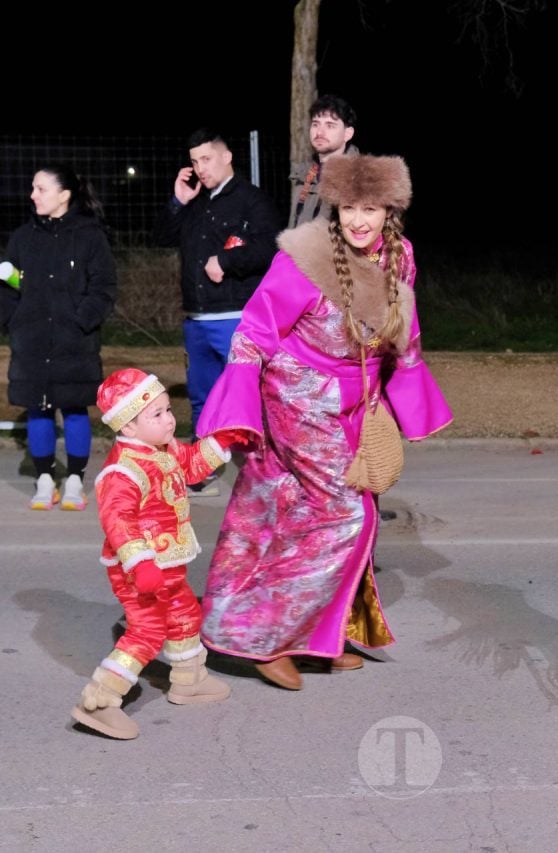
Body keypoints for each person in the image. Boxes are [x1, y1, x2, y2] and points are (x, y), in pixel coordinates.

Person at [194, 154, 452, 691]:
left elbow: (402, 328)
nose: (359, 220)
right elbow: (254, 332)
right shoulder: (303, 259)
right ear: (335, 209)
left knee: (300, 512)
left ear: (390, 212)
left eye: (371, 209)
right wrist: (239, 406)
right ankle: (265, 635)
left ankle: (317, 637)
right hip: (300, 397)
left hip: (357, 401)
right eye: (349, 208)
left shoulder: (400, 255)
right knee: (346, 513)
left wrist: (404, 390)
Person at [70, 367, 253, 740]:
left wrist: (221, 441)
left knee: (185, 614)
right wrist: (140, 563)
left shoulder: (164, 450)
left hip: (169, 564)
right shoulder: (122, 471)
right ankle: (100, 701)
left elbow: (192, 466)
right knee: (147, 631)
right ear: (128, 426)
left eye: (168, 410)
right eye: (157, 414)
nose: (169, 420)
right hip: (140, 569)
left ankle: (189, 679)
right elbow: (118, 521)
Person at [153, 128, 279, 495]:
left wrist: (226, 260)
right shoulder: (195, 201)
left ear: (227, 157)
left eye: (206, 159)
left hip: (236, 317)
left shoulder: (252, 201)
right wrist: (178, 202)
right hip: (196, 319)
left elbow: (271, 248)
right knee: (202, 397)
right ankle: (202, 467)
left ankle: (264, 470)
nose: (200, 168)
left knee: (247, 396)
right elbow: (161, 238)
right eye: (194, 161)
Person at [0, 164, 116, 511]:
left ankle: (75, 480)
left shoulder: (90, 236)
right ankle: (45, 479)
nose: (32, 195)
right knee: (38, 409)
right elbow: (6, 285)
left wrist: (82, 320)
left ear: (64, 195)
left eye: (41, 189)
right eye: (33, 188)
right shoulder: (23, 238)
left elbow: (104, 286)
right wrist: (12, 319)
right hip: (31, 341)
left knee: (75, 408)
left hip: (74, 341)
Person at [288, 93, 359, 228]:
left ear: (348, 134)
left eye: (330, 126)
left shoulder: (358, 176)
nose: (319, 132)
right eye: (315, 124)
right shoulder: (304, 174)